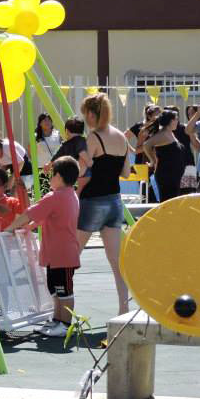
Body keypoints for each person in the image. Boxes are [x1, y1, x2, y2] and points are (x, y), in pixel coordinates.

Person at [5, 156, 81, 337]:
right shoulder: (70, 195)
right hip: (58, 254)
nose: (50, 178)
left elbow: (30, 213)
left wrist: (10, 228)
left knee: (64, 291)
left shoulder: (55, 197)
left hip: (62, 255)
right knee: (55, 289)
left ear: (59, 177)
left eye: (52, 174)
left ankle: (65, 324)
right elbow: (46, 216)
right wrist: (29, 227)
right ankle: (57, 320)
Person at [78, 94, 131, 315]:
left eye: (86, 114)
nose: (85, 119)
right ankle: (123, 309)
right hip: (114, 201)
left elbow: (82, 172)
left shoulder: (93, 138)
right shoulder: (122, 138)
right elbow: (126, 172)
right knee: (117, 264)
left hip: (92, 201)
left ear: (92, 114)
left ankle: (59, 309)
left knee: (72, 255)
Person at [142, 110, 186, 201]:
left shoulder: (169, 133)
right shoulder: (163, 134)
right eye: (176, 119)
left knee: (173, 201)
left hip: (174, 175)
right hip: (166, 175)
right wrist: (153, 161)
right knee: (168, 202)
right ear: (171, 121)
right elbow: (146, 145)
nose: (177, 121)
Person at [34, 114, 62, 193]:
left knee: (56, 191)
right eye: (44, 120)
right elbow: (31, 153)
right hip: (41, 168)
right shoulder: (35, 136)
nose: (47, 122)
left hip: (56, 167)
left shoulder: (58, 134)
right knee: (43, 191)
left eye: (49, 120)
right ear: (40, 123)